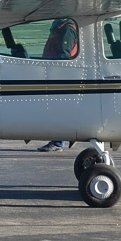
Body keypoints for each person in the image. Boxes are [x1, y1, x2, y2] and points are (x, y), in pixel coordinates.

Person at [36, 18, 79, 153]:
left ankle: (58, 141)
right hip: (53, 73)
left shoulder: (67, 29)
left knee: (58, 109)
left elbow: (63, 54)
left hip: (59, 75)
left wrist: (55, 72)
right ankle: (63, 137)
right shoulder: (60, 26)